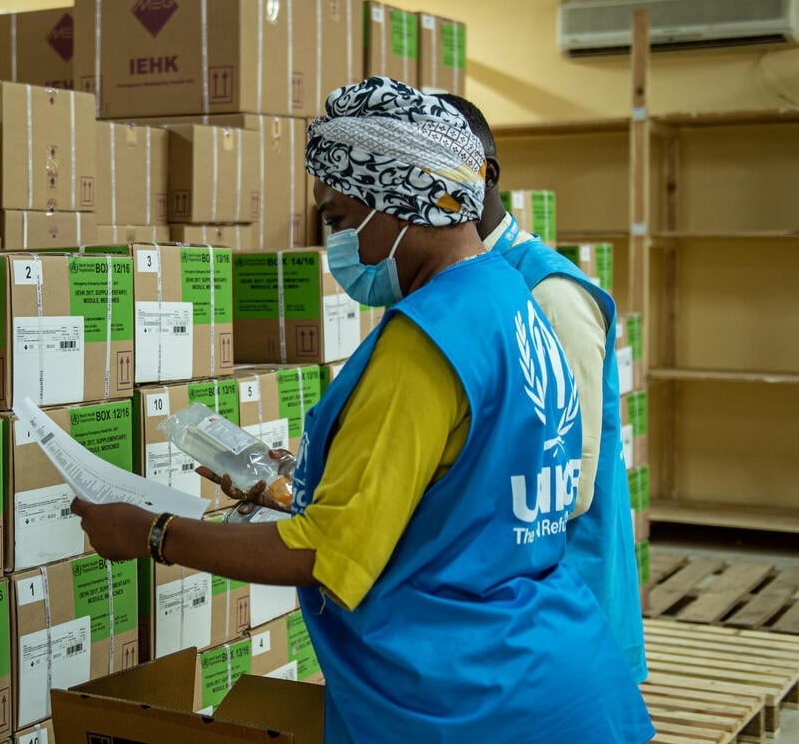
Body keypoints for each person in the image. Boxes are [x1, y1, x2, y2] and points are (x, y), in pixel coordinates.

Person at [72, 78, 654, 744]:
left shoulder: (430, 337)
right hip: (554, 674)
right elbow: (461, 495)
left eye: (341, 218)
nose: (342, 242)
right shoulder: (511, 304)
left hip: (474, 701)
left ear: (395, 197)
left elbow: (325, 551)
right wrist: (316, 479)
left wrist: (153, 532)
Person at [438, 92, 648, 682]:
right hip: (498, 594)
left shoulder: (551, 293)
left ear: (486, 175)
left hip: (559, 594)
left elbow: (568, 487)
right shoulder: (455, 284)